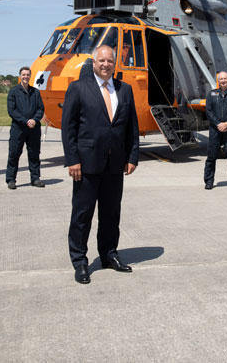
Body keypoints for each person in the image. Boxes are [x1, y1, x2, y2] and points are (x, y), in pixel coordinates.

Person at [61, 45, 140, 284]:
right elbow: (69, 128)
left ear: (114, 63)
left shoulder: (124, 90)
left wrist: (132, 156)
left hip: (115, 165)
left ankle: (108, 255)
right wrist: (72, 159)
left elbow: (132, 128)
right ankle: (80, 261)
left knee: (111, 214)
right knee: (82, 215)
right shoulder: (78, 88)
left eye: (110, 61)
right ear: (93, 63)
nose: (106, 64)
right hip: (86, 165)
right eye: (101, 61)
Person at [6, 66, 45, 189]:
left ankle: (35, 178)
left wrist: (34, 120)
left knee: (34, 154)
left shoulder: (35, 92)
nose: (26, 77)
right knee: (14, 153)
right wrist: (25, 121)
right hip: (19, 129)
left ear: (30, 76)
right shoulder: (13, 92)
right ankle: (11, 179)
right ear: (20, 76)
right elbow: (12, 111)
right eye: (23, 75)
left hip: (34, 129)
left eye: (28, 75)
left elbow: (41, 108)